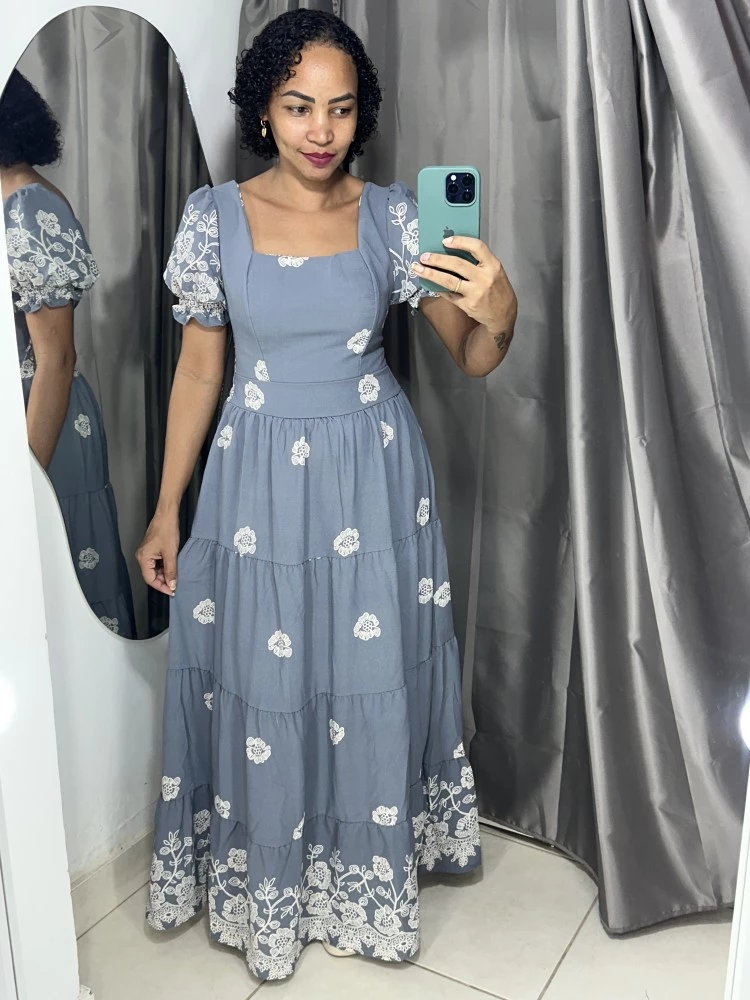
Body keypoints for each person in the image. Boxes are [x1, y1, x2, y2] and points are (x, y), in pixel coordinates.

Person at [139, 9, 517, 982]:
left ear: (362, 114)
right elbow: (199, 371)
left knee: (363, 680)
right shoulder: (213, 217)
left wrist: (501, 313)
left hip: (372, 484)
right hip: (255, 483)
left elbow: (472, 358)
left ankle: (360, 875)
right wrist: (167, 507)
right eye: (299, 105)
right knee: (268, 683)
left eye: (341, 109)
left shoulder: (396, 217)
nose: (320, 130)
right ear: (264, 109)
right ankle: (276, 884)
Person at [1, 69, 136, 638]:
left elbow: (55, 360)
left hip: (42, 422)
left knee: (55, 598)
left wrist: (23, 480)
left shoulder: (28, 207)